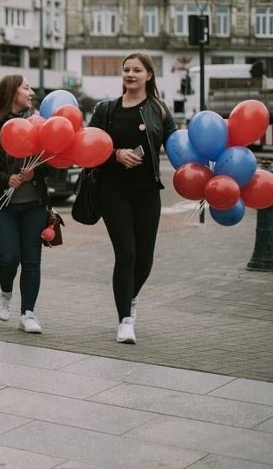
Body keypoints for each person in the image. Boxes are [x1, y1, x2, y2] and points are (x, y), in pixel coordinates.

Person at [88, 51, 176, 344]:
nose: (130, 74)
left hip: (147, 192)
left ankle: (130, 296)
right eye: (126, 69)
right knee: (126, 254)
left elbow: (177, 147)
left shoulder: (159, 110)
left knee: (145, 259)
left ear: (149, 75)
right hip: (112, 190)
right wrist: (116, 154)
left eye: (137, 70)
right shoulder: (106, 110)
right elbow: (89, 148)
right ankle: (125, 320)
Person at [0, 75, 50, 334]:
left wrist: (34, 174)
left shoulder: (39, 124)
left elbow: (52, 161)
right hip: (1, 204)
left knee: (31, 260)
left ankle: (28, 313)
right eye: (26, 88)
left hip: (34, 204)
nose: (31, 92)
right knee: (8, 257)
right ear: (11, 92)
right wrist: (7, 178)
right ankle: (5, 291)